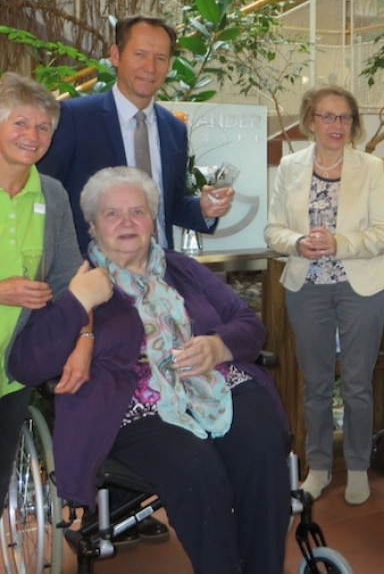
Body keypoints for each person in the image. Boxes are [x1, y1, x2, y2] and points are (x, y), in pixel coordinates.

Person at [9, 166, 290, 574]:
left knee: (262, 448)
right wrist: (77, 303)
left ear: (152, 220)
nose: (126, 222)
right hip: (133, 404)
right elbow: (26, 363)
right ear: (91, 224)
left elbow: (248, 323)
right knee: (196, 470)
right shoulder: (76, 279)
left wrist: (217, 345)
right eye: (112, 213)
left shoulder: (182, 269)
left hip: (217, 381)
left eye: (137, 211)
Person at [264, 85, 384, 506]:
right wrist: (298, 242)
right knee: (316, 384)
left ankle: (358, 467)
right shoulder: (290, 166)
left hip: (362, 287)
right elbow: (273, 231)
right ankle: (318, 467)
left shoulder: (371, 167)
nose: (336, 125)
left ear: (353, 125)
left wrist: (340, 243)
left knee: (357, 384)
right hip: (307, 288)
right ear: (310, 122)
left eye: (344, 118)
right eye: (327, 116)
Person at [38, 14, 235, 252]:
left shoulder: (174, 130)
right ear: (116, 56)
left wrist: (203, 209)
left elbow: (169, 205)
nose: (150, 68)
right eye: (140, 54)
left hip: (160, 271)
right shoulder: (75, 118)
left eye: (160, 58)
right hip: (93, 273)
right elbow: (44, 196)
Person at [0, 73, 83, 509]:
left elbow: (70, 280)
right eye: (19, 123)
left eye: (42, 127)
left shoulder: (51, 195)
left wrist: (83, 339)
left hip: (12, 371)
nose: (31, 136)